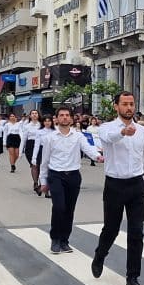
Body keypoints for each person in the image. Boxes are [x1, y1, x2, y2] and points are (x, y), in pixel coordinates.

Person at [92, 92, 144, 285]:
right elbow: (108, 139)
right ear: (116, 106)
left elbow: (141, 154)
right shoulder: (106, 128)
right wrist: (123, 133)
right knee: (111, 228)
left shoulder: (143, 131)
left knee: (136, 232)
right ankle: (100, 254)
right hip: (115, 184)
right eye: (124, 104)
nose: (129, 108)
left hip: (136, 184)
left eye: (132, 104)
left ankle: (132, 277)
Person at [38, 106, 104, 254]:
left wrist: (97, 156)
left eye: (67, 115)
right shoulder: (50, 138)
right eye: (61, 115)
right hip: (56, 176)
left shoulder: (78, 136)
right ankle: (55, 239)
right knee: (59, 207)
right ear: (57, 119)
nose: (65, 118)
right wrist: (43, 181)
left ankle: (64, 241)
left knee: (69, 209)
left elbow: (88, 148)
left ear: (72, 118)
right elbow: (45, 161)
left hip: (73, 176)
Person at [23, 110, 43, 193]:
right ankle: (35, 182)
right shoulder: (27, 126)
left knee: (40, 165)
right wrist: (21, 149)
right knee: (34, 165)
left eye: (36, 113)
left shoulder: (42, 125)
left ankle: (42, 183)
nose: (34, 115)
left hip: (41, 145)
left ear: (38, 115)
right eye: (33, 113)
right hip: (30, 145)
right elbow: (24, 138)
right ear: (30, 116)